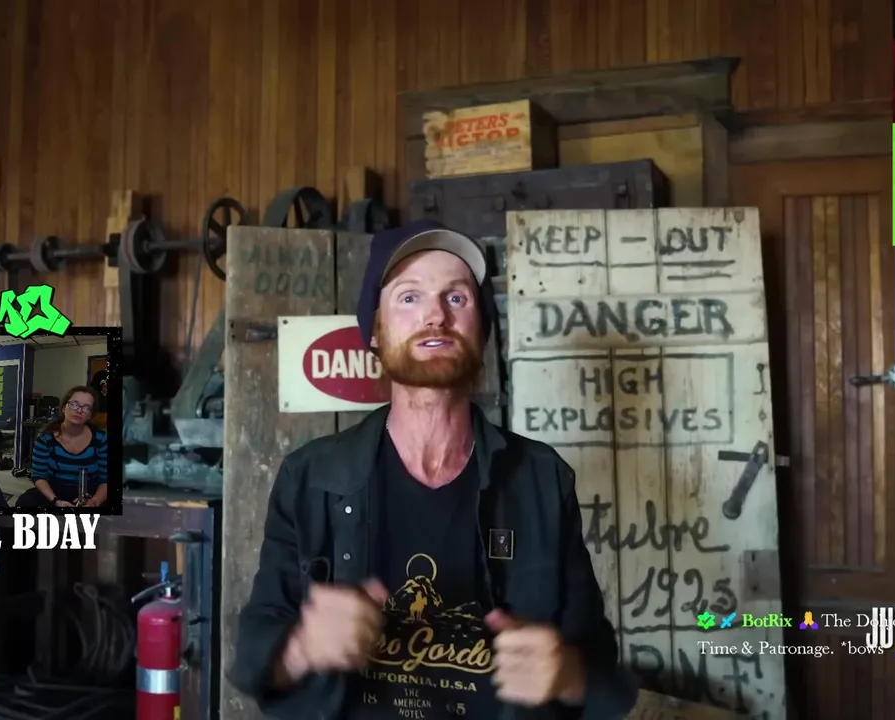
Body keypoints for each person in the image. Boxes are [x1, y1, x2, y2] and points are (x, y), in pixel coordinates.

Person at [229, 220, 636, 719]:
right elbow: (250, 659)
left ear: (481, 330)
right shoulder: (309, 478)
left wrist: (568, 674)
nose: (435, 315)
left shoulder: (542, 480)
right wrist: (301, 648)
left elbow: (605, 676)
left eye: (457, 298)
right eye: (409, 297)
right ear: (374, 331)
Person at [17, 386, 109, 508]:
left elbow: (106, 479)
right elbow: (38, 476)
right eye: (74, 404)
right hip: (55, 491)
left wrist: (94, 501)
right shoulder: (45, 439)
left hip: (91, 492)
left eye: (86, 408)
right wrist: (55, 501)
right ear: (63, 408)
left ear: (90, 415)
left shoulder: (101, 439)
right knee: (25, 502)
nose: (79, 410)